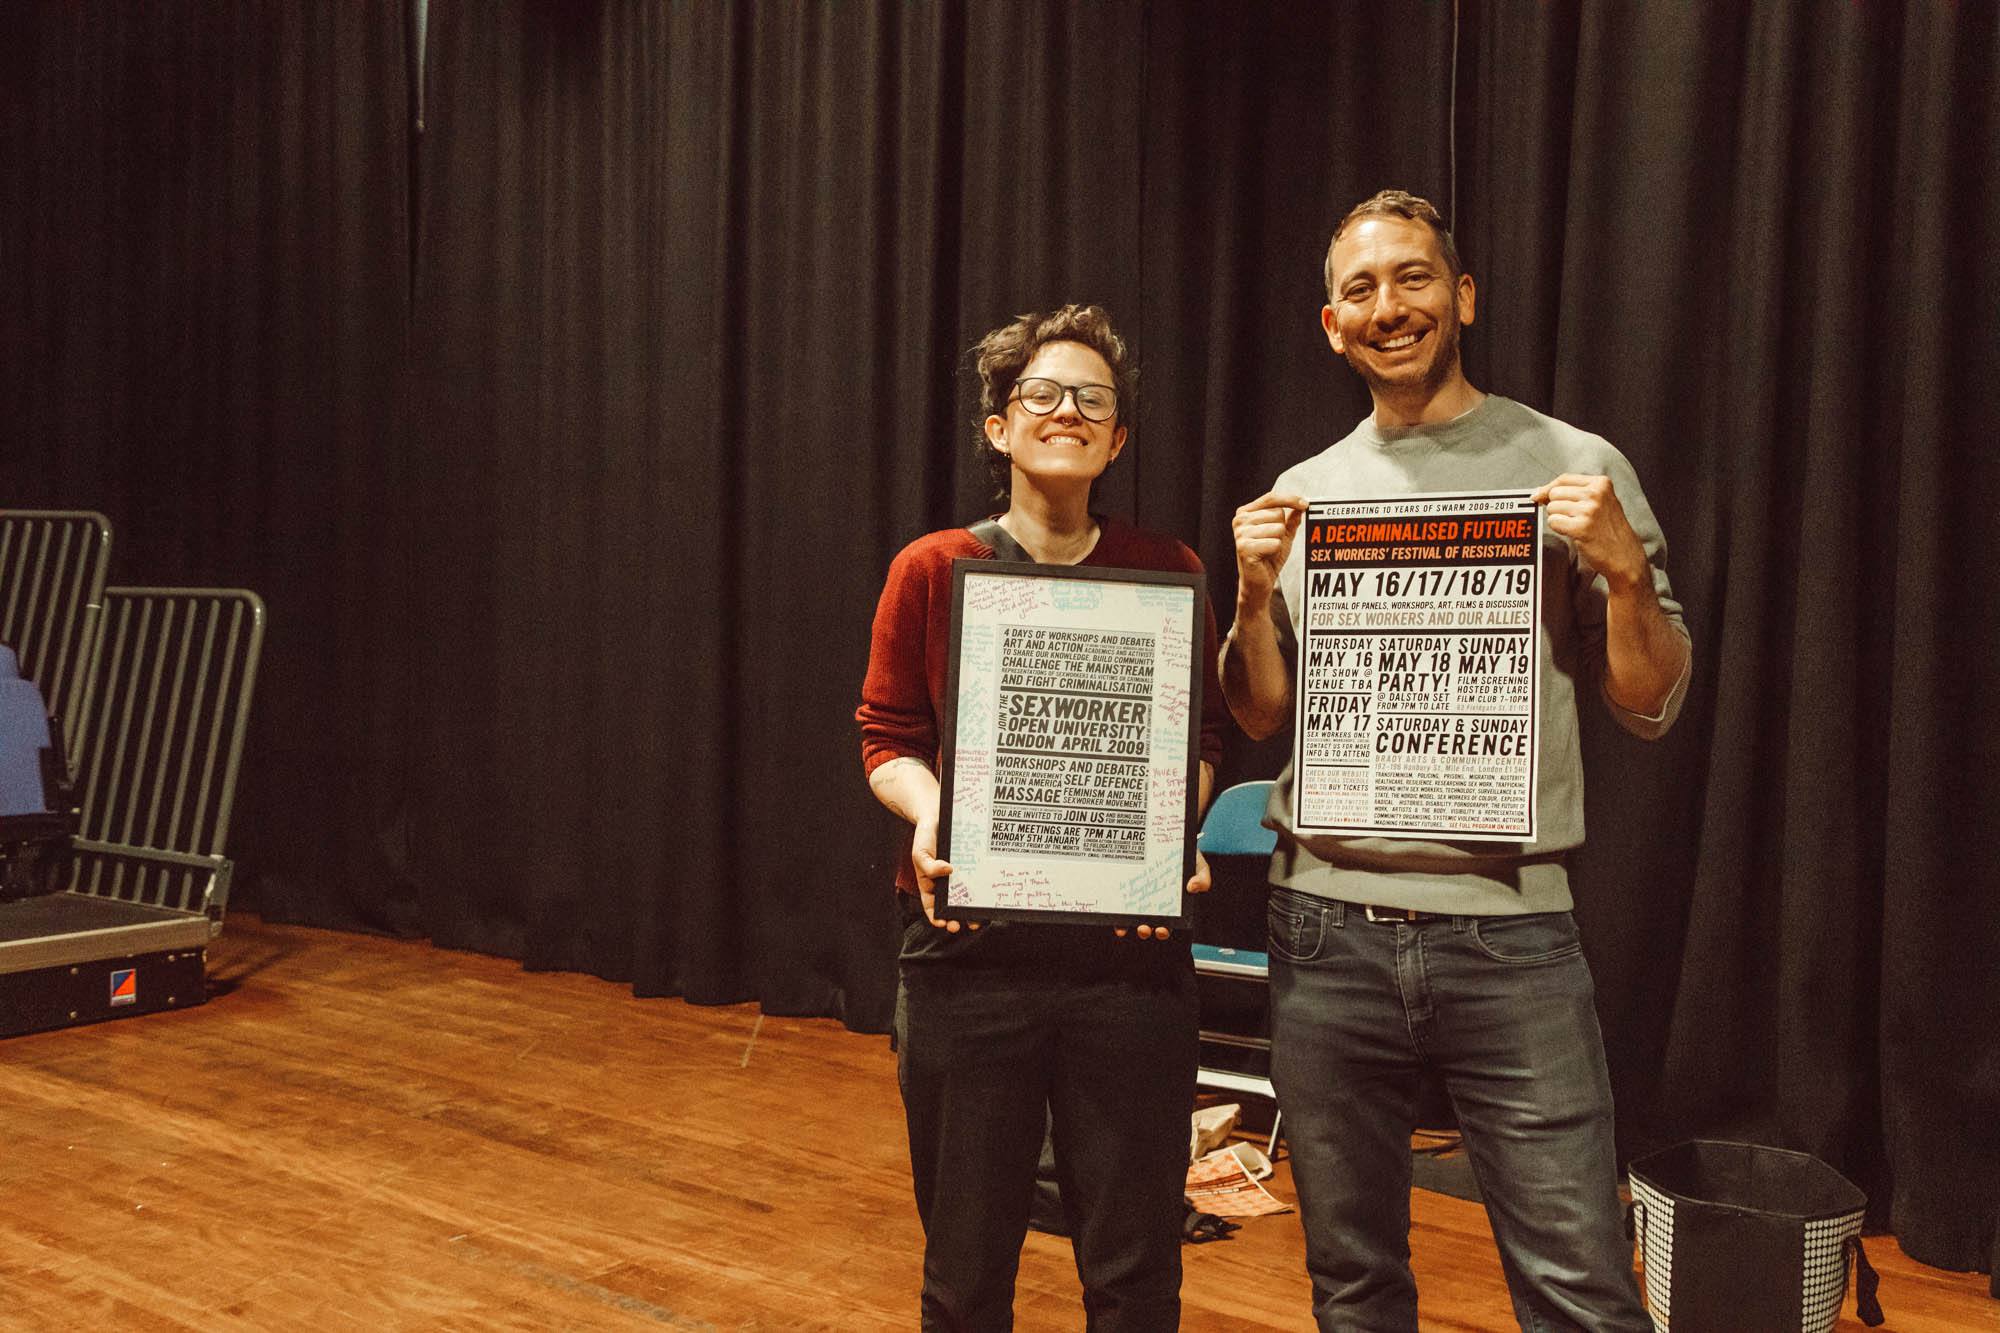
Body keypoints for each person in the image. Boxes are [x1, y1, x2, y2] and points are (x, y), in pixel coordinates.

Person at [1221, 190, 1692, 1331]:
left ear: (1461, 295)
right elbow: (1255, 716)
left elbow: (1652, 702)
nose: (1390, 306)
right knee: (1351, 1281)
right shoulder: (1304, 492)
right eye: (1360, 289)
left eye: (1414, 277)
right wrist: (1247, 598)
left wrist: (1626, 577)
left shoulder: (1570, 463)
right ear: (1330, 324)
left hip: (1511, 936)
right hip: (1323, 933)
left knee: (1577, 1285)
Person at [857, 304, 1226, 1331]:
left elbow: (1195, 748)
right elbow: (885, 735)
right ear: (998, 427)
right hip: (968, 959)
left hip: (1128, 962)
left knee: (1135, 1274)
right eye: (1041, 394)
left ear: (1115, 440)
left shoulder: (1170, 572)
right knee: (965, 1275)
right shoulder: (929, 570)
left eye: (1092, 400)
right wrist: (932, 816)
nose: (1066, 410)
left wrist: (1170, 839)